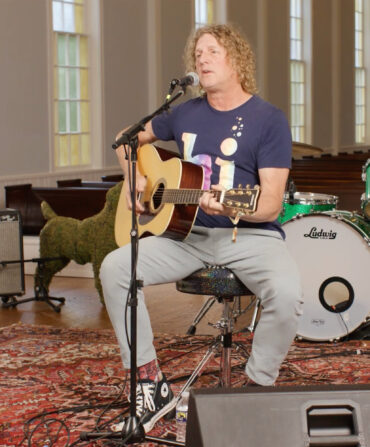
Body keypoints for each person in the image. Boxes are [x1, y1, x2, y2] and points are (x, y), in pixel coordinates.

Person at [100, 23, 303, 433]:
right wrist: (133, 177)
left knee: (287, 293)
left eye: (212, 52)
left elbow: (268, 205)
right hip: (186, 237)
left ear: (237, 61)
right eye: (198, 54)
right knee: (115, 268)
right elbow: (125, 139)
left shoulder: (269, 120)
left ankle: (258, 387)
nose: (202, 59)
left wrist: (229, 205)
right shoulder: (185, 113)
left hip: (250, 237)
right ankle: (148, 384)